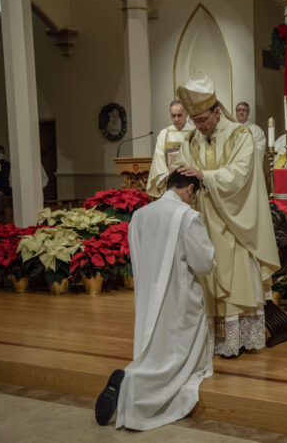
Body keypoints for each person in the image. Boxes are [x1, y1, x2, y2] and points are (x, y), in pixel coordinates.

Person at [95, 170, 215, 430]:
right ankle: (133, 384)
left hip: (148, 296)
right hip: (180, 296)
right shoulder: (188, 216)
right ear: (190, 190)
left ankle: (132, 378)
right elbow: (204, 263)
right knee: (176, 360)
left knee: (152, 350)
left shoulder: (140, 215)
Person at [173, 70, 280, 357]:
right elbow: (185, 167)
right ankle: (212, 339)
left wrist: (203, 175)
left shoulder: (240, 135)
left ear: (217, 110)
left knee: (235, 277)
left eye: (203, 120)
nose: (200, 126)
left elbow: (241, 174)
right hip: (203, 221)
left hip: (234, 221)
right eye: (195, 121)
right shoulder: (191, 140)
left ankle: (237, 339)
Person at [146, 100, 196, 198]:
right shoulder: (164, 134)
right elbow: (158, 159)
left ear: (186, 114)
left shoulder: (195, 132)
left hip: (191, 183)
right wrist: (166, 176)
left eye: (179, 115)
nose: (176, 119)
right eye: (173, 116)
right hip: (170, 183)